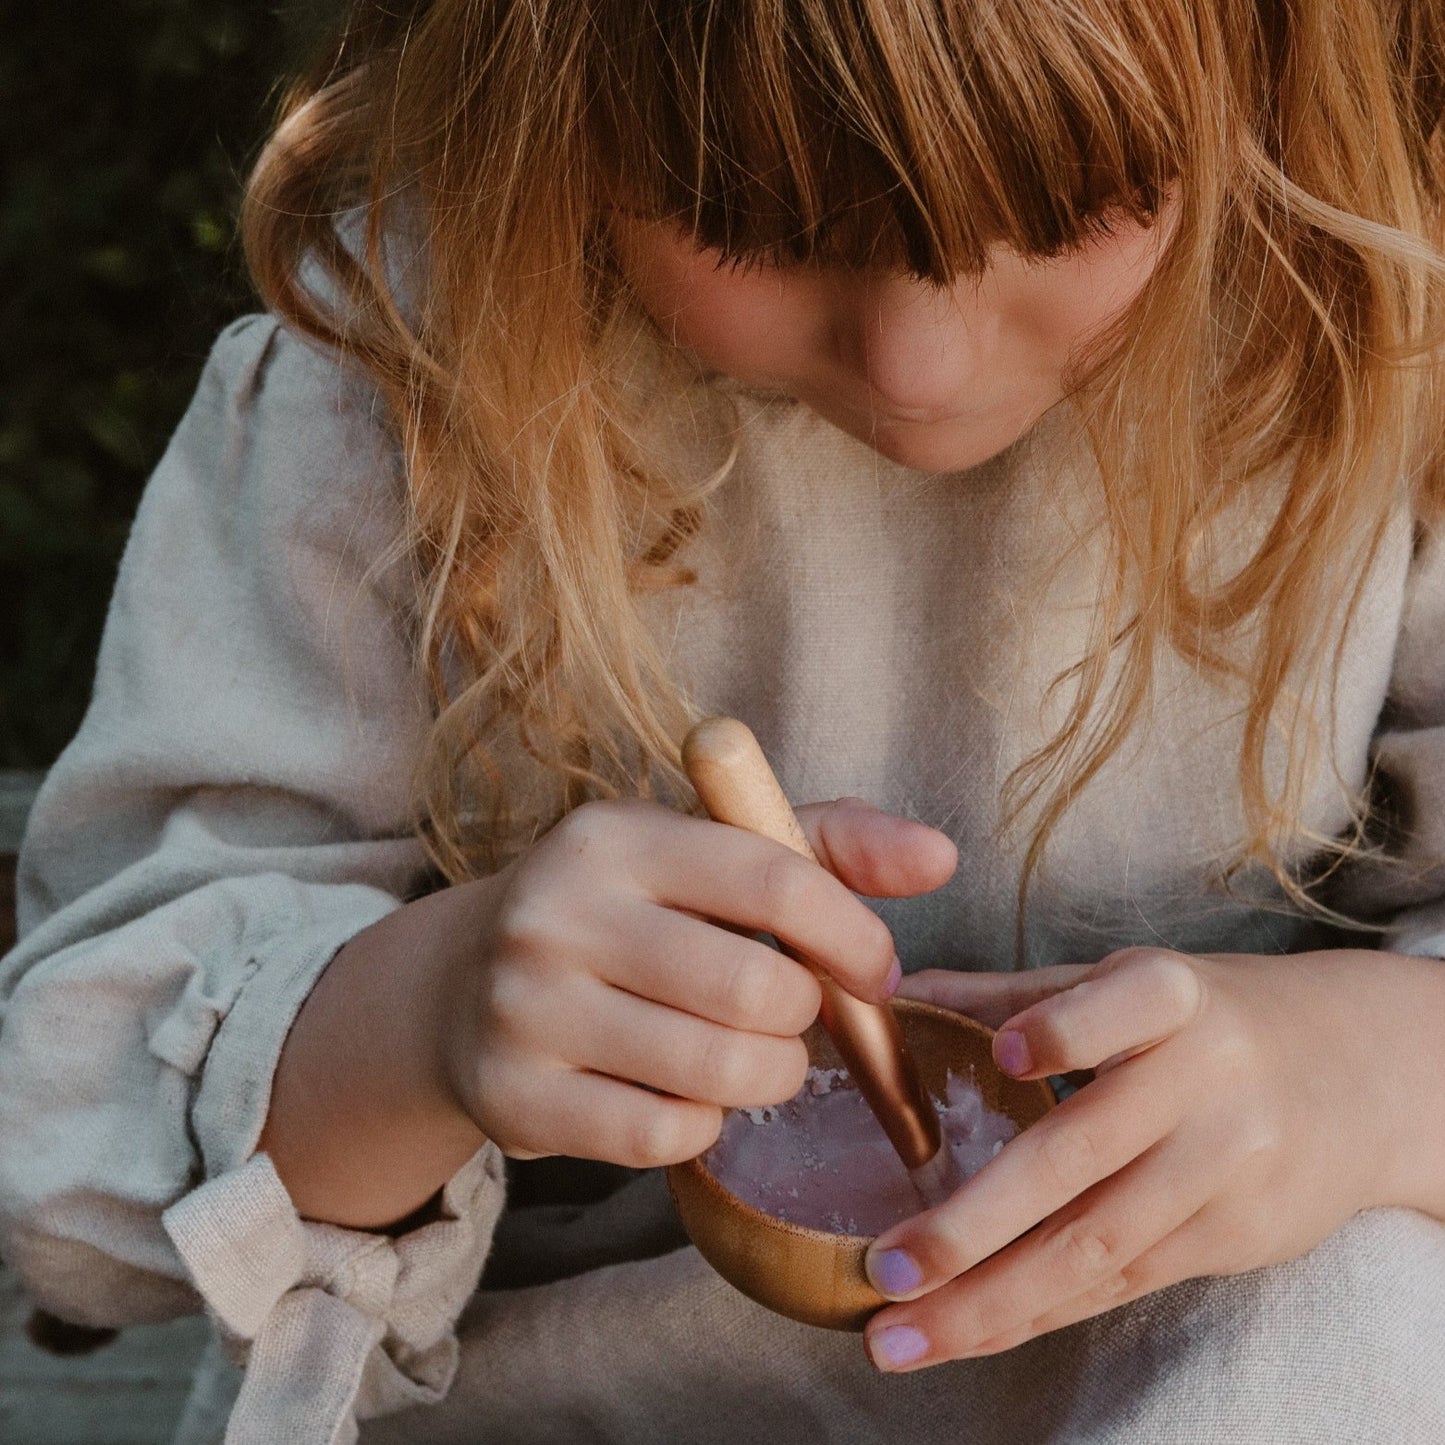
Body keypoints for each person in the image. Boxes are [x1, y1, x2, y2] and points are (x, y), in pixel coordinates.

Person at [4, 1, 1445, 1440]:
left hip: (1204, 1373)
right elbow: (64, 1180)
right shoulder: (401, 374)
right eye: (751, 218)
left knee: (1365, 1294)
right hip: (549, 1401)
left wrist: (1370, 1068)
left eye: (1076, 204)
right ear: (542, 86)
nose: (918, 363)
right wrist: (433, 1016)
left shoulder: (1380, 338)